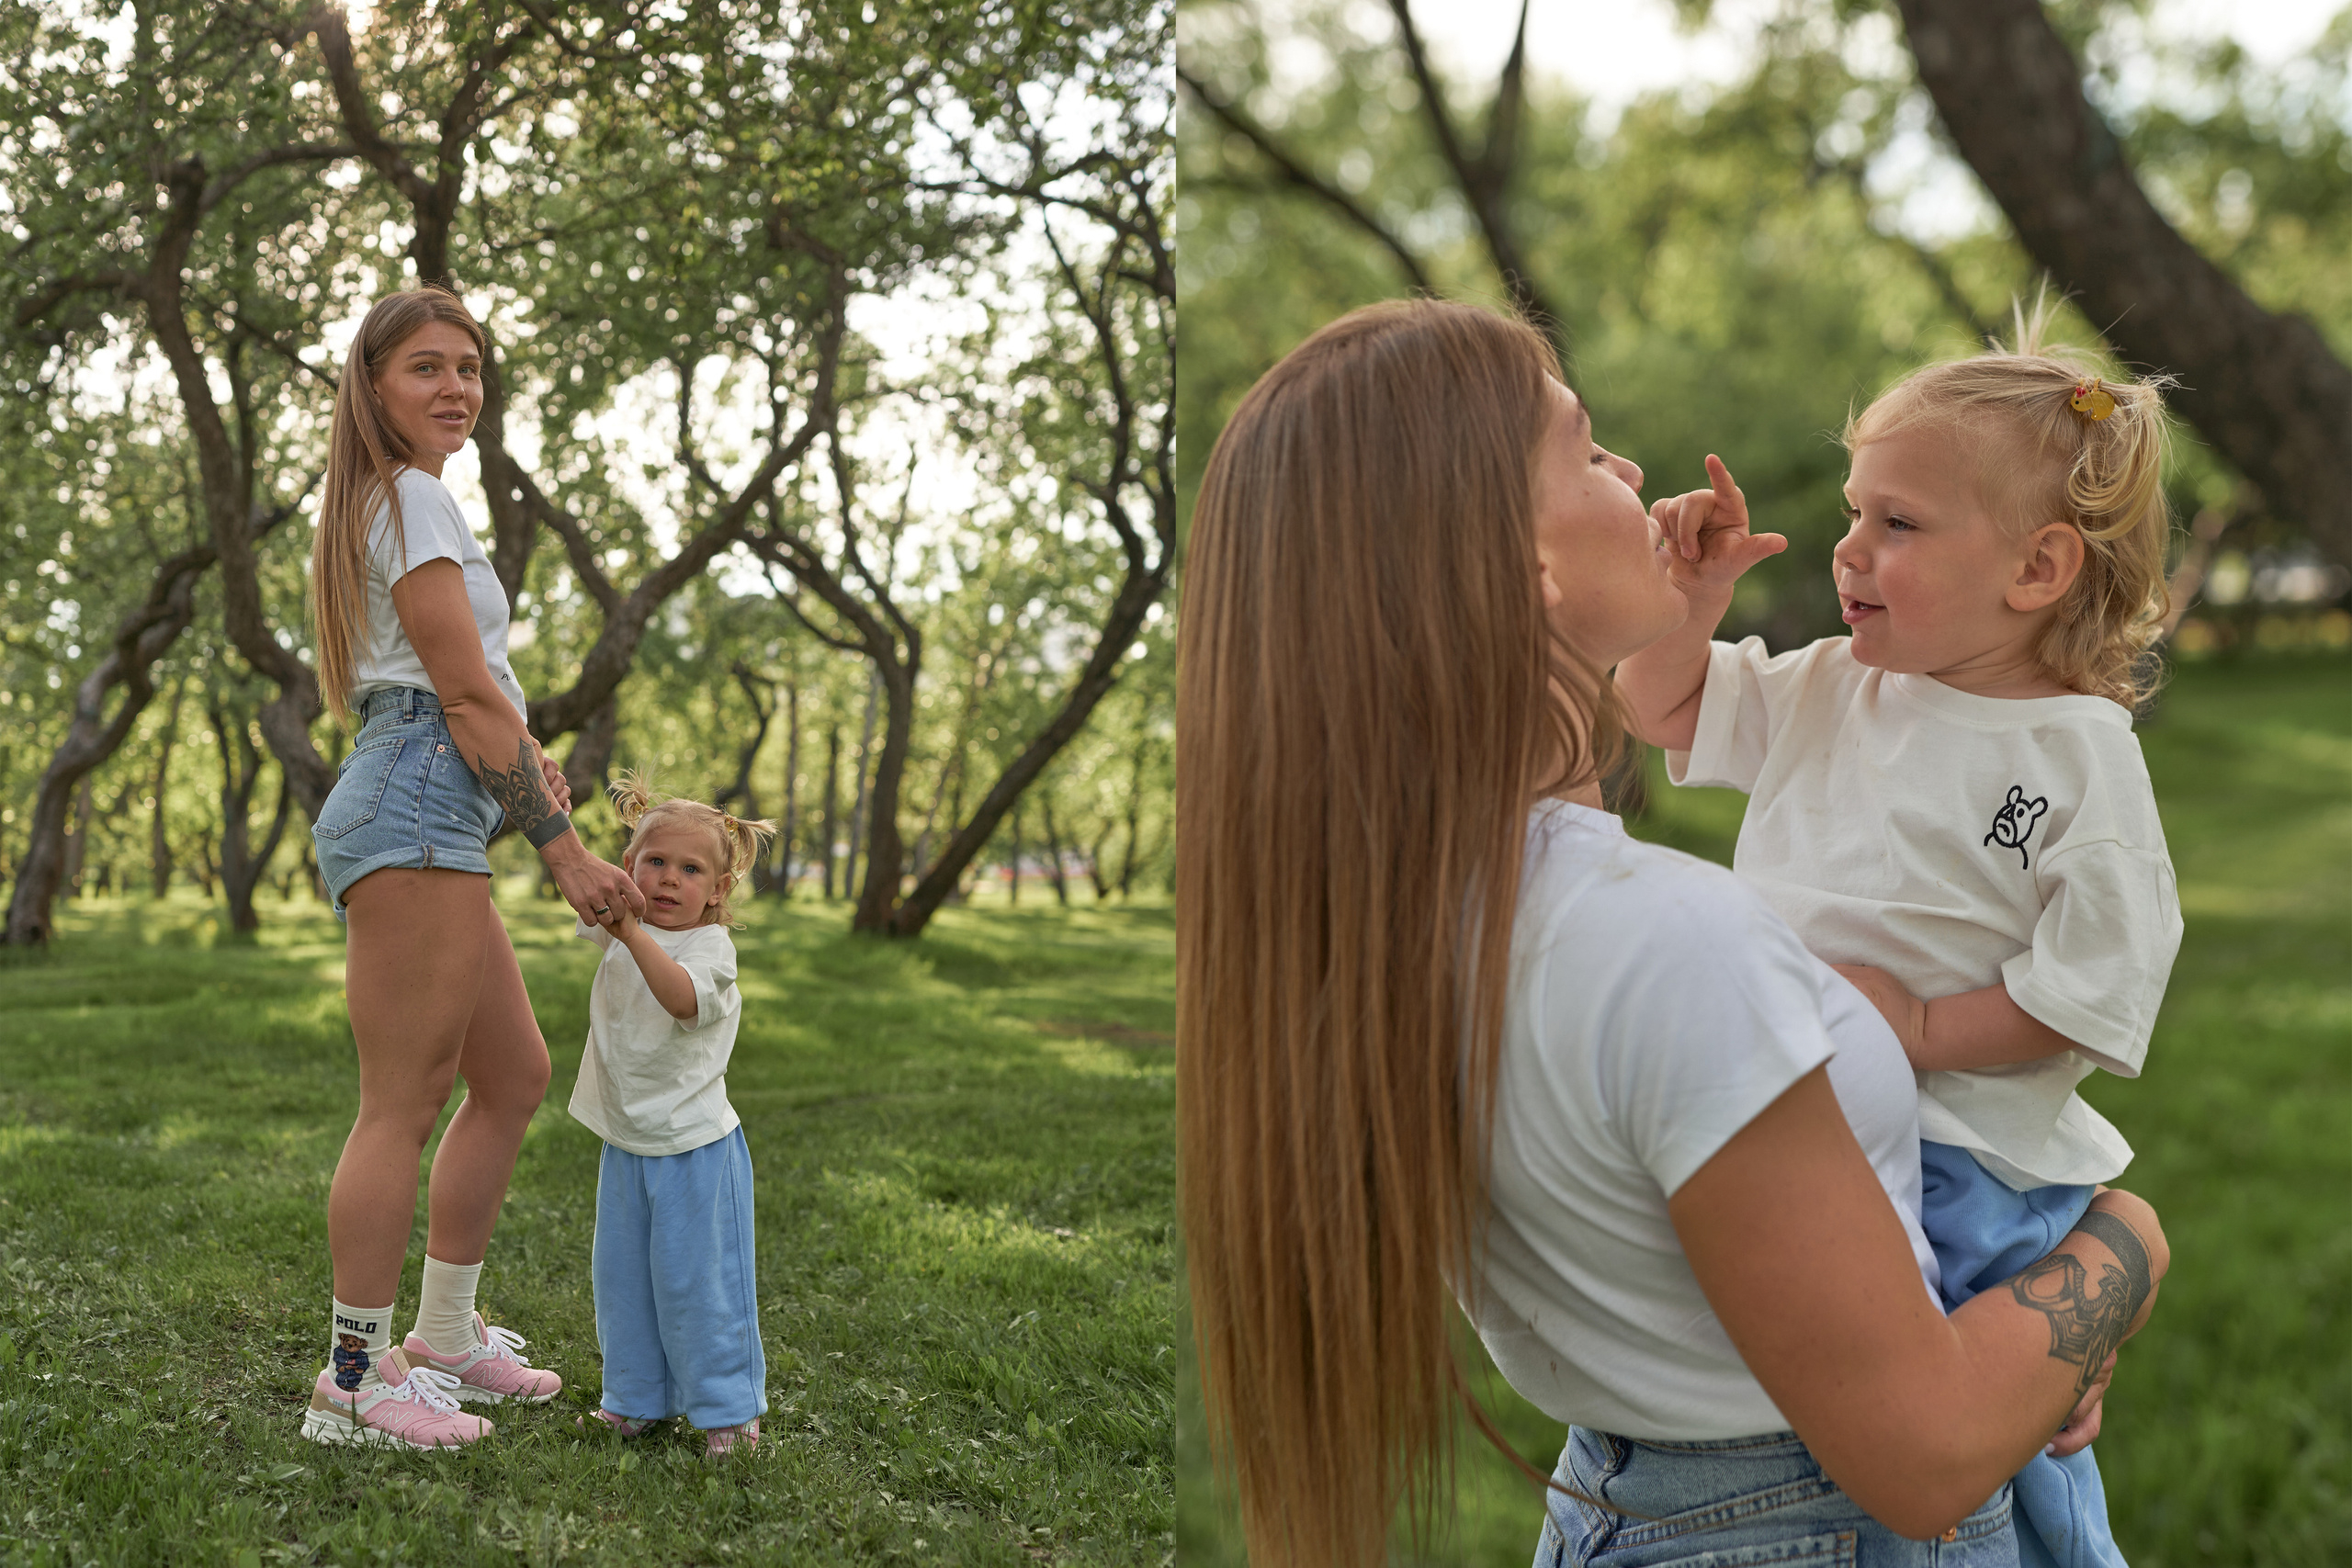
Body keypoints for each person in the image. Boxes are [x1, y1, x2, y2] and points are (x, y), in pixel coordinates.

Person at [1176, 299, 2170, 1568]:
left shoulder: (1420, 924)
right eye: (1587, 451)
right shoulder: (1666, 946)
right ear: (1524, 570)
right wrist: (2129, 1240)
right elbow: (1926, 1443)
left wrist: (2020, 1352)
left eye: (1898, 518)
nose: (1635, 473)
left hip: (1624, 1495)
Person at [1617, 306, 2183, 1568]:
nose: (1849, 549)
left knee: (1978, 1432)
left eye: (1899, 523)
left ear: (2036, 569)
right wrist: (1688, 602)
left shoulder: (2074, 754)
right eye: (1853, 513)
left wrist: (1923, 1028)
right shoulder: (1831, 684)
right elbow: (1665, 702)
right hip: (1806, 1112)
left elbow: (2098, 983)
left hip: (1968, 1161)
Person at [302, 286, 644, 1450]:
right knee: (401, 1105)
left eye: (470, 369)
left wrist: (532, 770)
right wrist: (567, 852)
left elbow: (477, 692)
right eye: (425, 368)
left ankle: (443, 1338)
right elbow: (454, 697)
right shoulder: (405, 497)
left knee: (512, 1076)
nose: (456, 388)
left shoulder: (416, 499)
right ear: (374, 387)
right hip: (411, 802)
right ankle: (352, 1379)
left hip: (434, 799)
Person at [571, 774, 776, 1459]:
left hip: (695, 1150)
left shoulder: (709, 952)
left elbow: (681, 1001)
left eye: (691, 869)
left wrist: (630, 931)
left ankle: (728, 1412)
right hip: (627, 1142)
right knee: (623, 1281)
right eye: (653, 861)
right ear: (629, 867)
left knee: (699, 1284)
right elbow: (584, 894)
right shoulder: (623, 926)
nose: (668, 879)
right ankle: (635, 1400)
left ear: (717, 890)